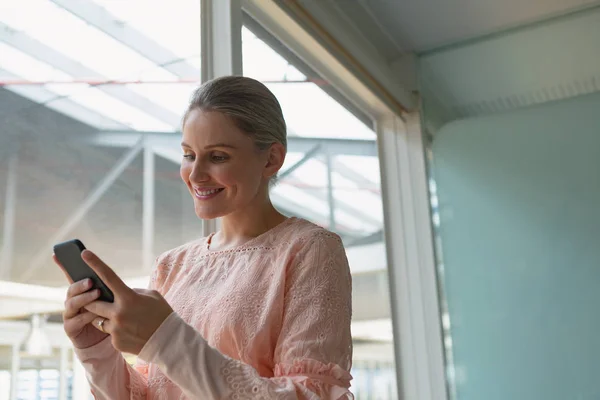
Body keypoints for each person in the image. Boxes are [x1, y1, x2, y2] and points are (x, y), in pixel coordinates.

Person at [55, 76, 354, 399]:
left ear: (271, 159)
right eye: (188, 154)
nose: (195, 175)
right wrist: (97, 350)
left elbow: (311, 395)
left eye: (218, 156)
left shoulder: (309, 249)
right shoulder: (172, 265)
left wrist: (167, 339)